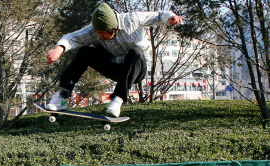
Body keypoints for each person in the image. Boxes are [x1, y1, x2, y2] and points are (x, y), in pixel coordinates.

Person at [46, 3, 185, 117]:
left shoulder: (132, 20)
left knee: (135, 52)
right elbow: (73, 37)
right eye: (97, 33)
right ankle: (62, 96)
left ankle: (118, 99)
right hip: (114, 67)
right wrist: (59, 49)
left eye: (103, 33)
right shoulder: (93, 30)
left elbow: (158, 15)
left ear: (114, 28)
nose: (100, 36)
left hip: (136, 69)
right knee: (85, 51)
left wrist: (170, 18)